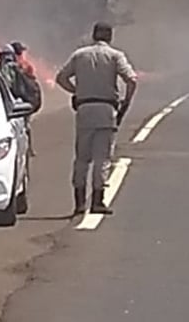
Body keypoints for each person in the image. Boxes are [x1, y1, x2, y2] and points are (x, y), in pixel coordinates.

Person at [55, 22, 138, 216]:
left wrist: (77, 91)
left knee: (82, 157)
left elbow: (61, 78)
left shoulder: (79, 55)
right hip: (106, 109)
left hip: (84, 108)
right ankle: (98, 201)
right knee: (102, 157)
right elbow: (132, 80)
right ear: (110, 37)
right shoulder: (116, 56)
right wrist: (126, 101)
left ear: (93, 35)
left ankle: (79, 203)